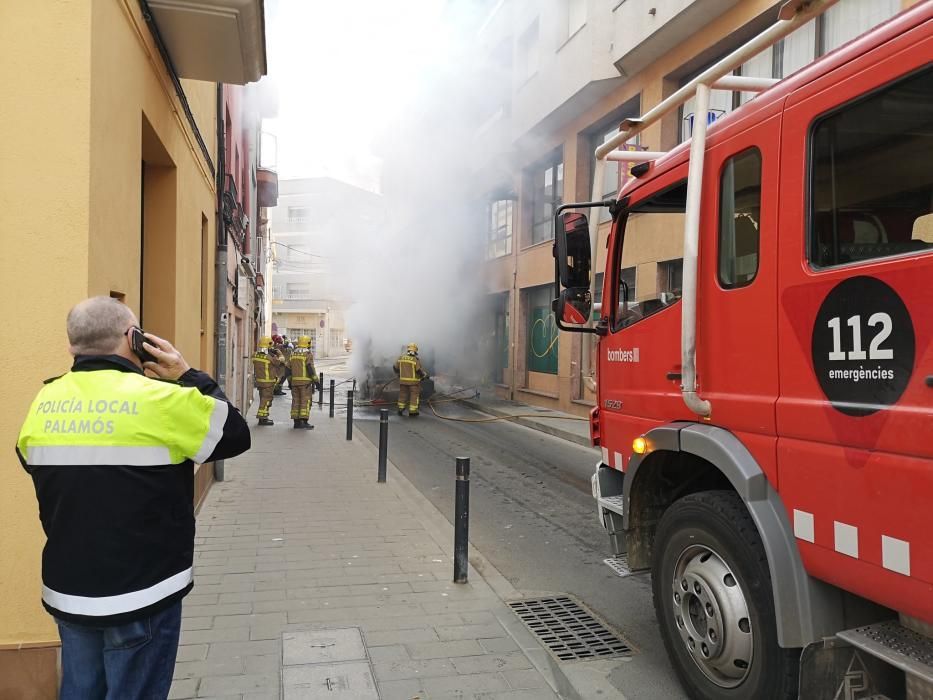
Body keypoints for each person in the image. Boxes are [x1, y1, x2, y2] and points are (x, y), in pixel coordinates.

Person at [15, 296, 250, 700]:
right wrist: (187, 374)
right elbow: (235, 435)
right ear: (133, 338)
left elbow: (34, 464)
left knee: (79, 690)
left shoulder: (45, 401)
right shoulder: (161, 400)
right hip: (143, 593)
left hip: (69, 591)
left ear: (72, 346)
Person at [288, 335, 319, 430]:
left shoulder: (293, 354)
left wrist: (289, 382)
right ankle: (303, 422)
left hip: (294, 383)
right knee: (305, 401)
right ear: (307, 343)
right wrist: (316, 381)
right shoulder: (307, 354)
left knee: (296, 401)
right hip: (305, 384)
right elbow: (310, 368)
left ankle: (296, 422)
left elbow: (288, 369)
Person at [252, 336, 284, 425]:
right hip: (268, 382)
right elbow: (280, 361)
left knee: (263, 399)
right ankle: (263, 419)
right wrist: (279, 353)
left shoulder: (255, 355)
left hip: (259, 382)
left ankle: (263, 417)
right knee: (266, 400)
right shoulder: (270, 358)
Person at [393, 342, 428, 417]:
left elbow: (395, 367)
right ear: (415, 351)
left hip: (403, 382)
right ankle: (412, 411)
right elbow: (418, 371)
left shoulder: (401, 357)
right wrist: (424, 375)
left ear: (408, 350)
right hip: (413, 383)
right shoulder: (415, 359)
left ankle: (400, 409)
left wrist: (399, 374)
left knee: (402, 395)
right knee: (414, 396)